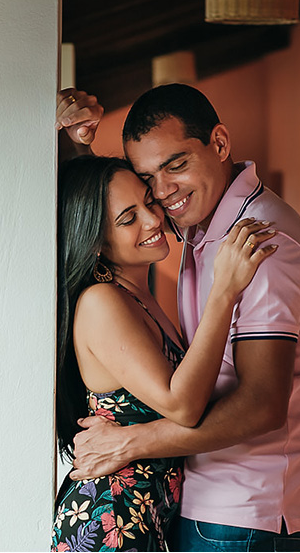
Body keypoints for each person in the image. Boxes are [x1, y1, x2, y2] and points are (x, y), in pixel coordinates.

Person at [57, 84, 300, 552]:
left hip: (242, 510)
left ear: (220, 144)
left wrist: (132, 442)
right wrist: (71, 143)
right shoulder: (203, 230)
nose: (161, 198)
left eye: (176, 165)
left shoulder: (258, 242)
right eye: (149, 182)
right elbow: (89, 209)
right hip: (164, 510)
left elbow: (263, 403)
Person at [51, 155, 276, 552]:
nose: (153, 220)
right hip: (111, 520)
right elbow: (184, 405)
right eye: (128, 219)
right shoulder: (102, 302)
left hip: (147, 514)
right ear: (97, 242)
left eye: (148, 202)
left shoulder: (138, 296)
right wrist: (225, 291)